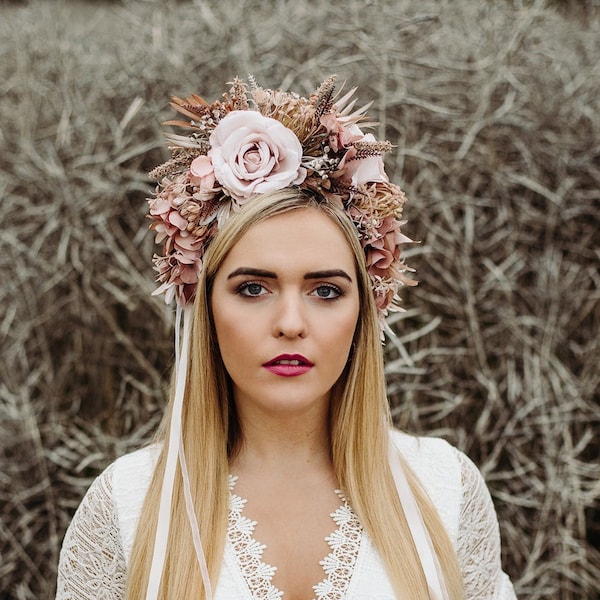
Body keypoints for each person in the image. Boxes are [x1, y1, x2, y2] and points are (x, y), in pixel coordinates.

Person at [56, 76, 517, 600]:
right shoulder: (128, 506)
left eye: (325, 290)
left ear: (365, 309)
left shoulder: (445, 489)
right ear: (204, 306)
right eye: (253, 287)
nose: (291, 323)